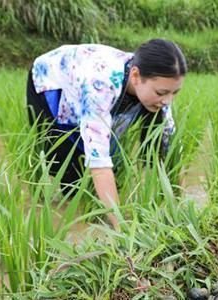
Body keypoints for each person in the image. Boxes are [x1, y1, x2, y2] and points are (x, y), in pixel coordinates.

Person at [26, 39, 187, 229]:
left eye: (174, 93)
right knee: (69, 170)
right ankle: (79, 212)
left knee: (120, 156)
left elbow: (170, 146)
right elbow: (99, 162)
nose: (167, 100)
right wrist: (122, 229)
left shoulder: (157, 92)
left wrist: (181, 204)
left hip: (97, 81)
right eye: (161, 92)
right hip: (52, 80)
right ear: (135, 76)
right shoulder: (100, 85)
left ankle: (105, 203)